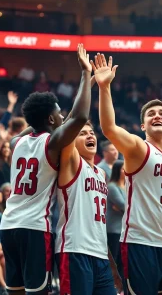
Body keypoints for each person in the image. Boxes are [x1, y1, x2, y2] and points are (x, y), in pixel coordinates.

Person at [93, 53, 162, 294]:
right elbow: (108, 127)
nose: (157, 115)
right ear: (143, 126)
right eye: (150, 115)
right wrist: (104, 87)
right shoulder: (138, 148)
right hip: (141, 242)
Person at [0, 44, 93, 295]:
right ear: (51, 120)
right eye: (58, 114)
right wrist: (86, 75)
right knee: (37, 292)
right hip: (34, 228)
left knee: (15, 291)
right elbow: (80, 117)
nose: (63, 118)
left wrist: (55, 115)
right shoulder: (51, 144)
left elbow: (53, 121)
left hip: (8, 227)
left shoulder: (15, 141)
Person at [55, 120, 122, 295]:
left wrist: (112, 264)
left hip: (100, 255)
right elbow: (70, 129)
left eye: (91, 132)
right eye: (82, 133)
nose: (90, 135)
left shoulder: (101, 174)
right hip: (75, 250)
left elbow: (97, 226)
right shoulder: (72, 163)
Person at [106, 160, 126, 289]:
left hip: (123, 230)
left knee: (122, 262)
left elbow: (130, 206)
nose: (126, 171)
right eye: (123, 169)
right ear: (117, 170)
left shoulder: (127, 186)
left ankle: (121, 289)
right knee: (114, 262)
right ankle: (113, 288)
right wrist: (124, 209)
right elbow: (124, 205)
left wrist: (124, 209)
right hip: (113, 230)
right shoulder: (112, 186)